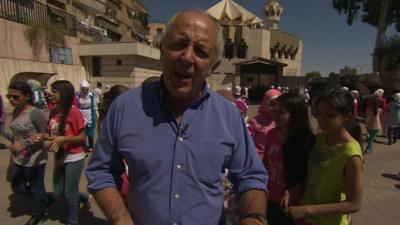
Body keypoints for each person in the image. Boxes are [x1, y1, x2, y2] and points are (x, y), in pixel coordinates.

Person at [86, 9, 268, 225]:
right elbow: (101, 171)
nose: (187, 57)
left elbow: (251, 177)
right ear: (162, 50)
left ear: (214, 66)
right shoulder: (125, 108)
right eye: (178, 44)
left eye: (201, 51)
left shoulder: (229, 116)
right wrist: (120, 218)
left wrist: (253, 219)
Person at [285, 89, 363, 225]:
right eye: (319, 114)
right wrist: (293, 192)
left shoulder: (351, 154)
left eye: (330, 115)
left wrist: (308, 210)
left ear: (347, 116)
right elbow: (311, 175)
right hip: (305, 219)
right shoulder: (320, 139)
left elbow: (354, 204)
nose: (321, 119)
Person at [32, 80, 90, 225]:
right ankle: (83, 197)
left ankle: (73, 220)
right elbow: (52, 133)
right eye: (51, 90)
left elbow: (82, 138)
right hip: (59, 157)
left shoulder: (74, 111)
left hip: (74, 158)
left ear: (64, 94)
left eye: (55, 91)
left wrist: (63, 140)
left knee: (70, 194)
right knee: (58, 193)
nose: (50, 93)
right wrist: (43, 136)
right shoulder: (53, 111)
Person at [262, 93, 315, 225]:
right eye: (275, 111)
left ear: (295, 115)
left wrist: (293, 192)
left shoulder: (306, 141)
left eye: (281, 112)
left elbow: (311, 175)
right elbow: (265, 164)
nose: (275, 115)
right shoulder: (271, 134)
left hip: (293, 204)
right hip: (269, 199)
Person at [1, 81, 48, 225]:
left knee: (35, 187)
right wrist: (2, 133)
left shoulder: (35, 113)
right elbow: (16, 136)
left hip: (34, 159)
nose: (12, 100)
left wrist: (25, 144)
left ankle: (38, 213)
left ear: (27, 96)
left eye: (16, 97)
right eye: (9, 97)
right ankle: (43, 199)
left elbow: (46, 135)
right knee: (17, 187)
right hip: (18, 158)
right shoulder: (16, 111)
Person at [248, 88, 282, 158]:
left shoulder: (283, 120)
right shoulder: (255, 121)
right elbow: (247, 141)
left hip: (276, 162)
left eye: (278, 104)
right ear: (265, 103)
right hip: (259, 161)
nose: (275, 107)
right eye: (272, 104)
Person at [76, 80, 97, 152]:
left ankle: (91, 146)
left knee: (90, 133)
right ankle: (83, 146)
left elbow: (94, 106)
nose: (85, 91)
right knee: (82, 133)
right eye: (83, 89)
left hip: (90, 114)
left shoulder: (92, 96)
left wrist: (96, 115)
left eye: (86, 89)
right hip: (81, 115)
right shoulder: (78, 95)